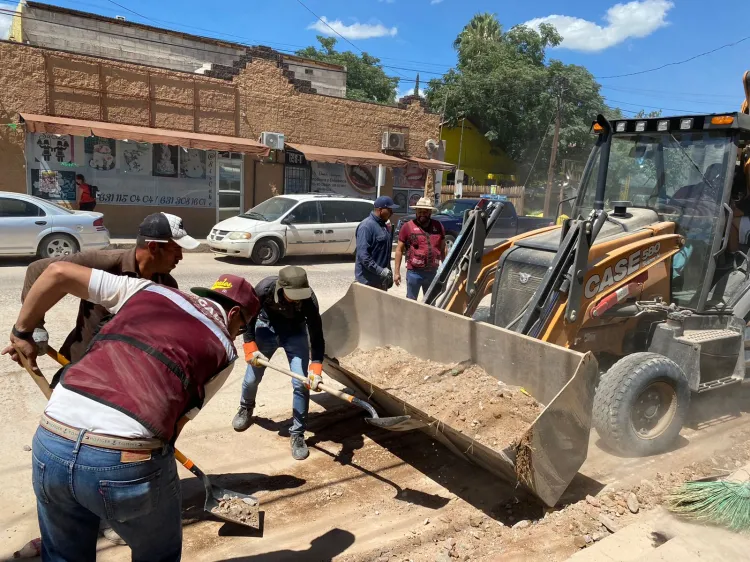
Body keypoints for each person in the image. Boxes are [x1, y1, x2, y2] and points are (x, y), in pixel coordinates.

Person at [3, 263, 259, 562]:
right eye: (241, 328)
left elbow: (57, 272)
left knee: (63, 555)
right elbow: (174, 428)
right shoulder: (224, 350)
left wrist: (22, 332)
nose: (237, 333)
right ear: (234, 314)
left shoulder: (146, 290)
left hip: (52, 438)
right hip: (124, 457)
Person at [20, 211, 197, 546]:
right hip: (80, 373)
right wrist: (31, 329)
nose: (181, 256)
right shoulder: (104, 263)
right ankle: (65, 525)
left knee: (105, 453)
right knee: (73, 448)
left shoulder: (166, 286)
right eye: (176, 249)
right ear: (156, 247)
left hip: (123, 390)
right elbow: (40, 271)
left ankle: (99, 512)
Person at [232, 266, 325, 461]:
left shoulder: (309, 298)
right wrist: (250, 344)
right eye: (293, 295)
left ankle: (297, 434)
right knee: (251, 378)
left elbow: (316, 333)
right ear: (281, 288)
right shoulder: (264, 289)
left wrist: (316, 366)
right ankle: (246, 407)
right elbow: (248, 317)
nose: (298, 298)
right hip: (266, 328)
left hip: (295, 332)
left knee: (301, 383)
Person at [394, 197, 446, 300]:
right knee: (411, 303)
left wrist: (445, 270)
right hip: (414, 272)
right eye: (419, 211)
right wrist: (396, 273)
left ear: (430, 212)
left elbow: (443, 248)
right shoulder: (407, 227)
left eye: (425, 211)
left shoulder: (438, 226)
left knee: (430, 303)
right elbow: (399, 250)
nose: (422, 213)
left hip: (432, 273)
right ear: (416, 211)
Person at [355, 196, 397, 290]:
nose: (392, 213)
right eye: (389, 210)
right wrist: (380, 271)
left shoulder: (383, 226)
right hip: (367, 283)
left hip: (381, 281)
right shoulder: (366, 226)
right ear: (380, 210)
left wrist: (387, 272)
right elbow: (363, 256)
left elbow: (385, 253)